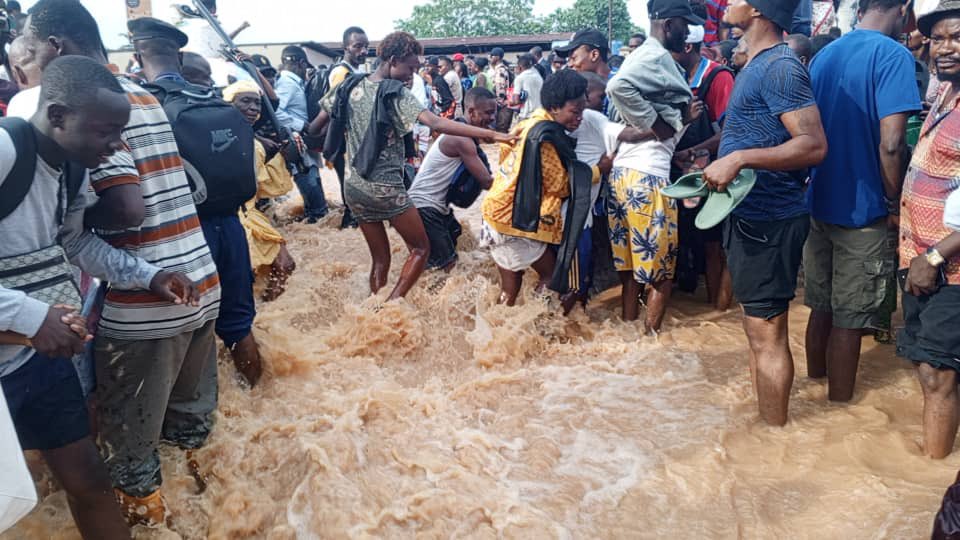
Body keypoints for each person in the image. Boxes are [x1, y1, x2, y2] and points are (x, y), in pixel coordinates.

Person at [15, 0, 226, 523]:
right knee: (189, 428)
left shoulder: (75, 112)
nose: (25, 59)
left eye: (30, 47)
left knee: (128, 453)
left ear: (54, 47)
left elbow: (129, 209)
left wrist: (77, 229)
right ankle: (213, 517)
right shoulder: (142, 96)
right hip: (196, 278)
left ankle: (157, 526)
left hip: (143, 307)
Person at [309, 32, 511, 300]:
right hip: (387, 189)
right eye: (410, 68)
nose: (413, 76)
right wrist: (494, 134)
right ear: (393, 60)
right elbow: (436, 123)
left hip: (354, 187)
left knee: (380, 260)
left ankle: (375, 307)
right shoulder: (396, 93)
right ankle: (392, 304)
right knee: (421, 249)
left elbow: (315, 128)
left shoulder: (348, 85)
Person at [702, 0, 828, 426]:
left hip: (770, 218)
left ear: (757, 9)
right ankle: (765, 431)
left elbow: (813, 145)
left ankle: (775, 435)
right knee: (757, 330)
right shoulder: (756, 64)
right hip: (751, 215)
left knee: (768, 334)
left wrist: (739, 159)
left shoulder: (780, 67)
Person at [130, 16, 263, 387]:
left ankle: (201, 414)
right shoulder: (212, 99)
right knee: (238, 324)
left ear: (138, 56)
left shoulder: (142, 104)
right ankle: (259, 396)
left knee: (184, 330)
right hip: (231, 226)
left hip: (179, 235)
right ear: (179, 56)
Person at [805, 0, 918, 403]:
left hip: (819, 203)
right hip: (865, 211)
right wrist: (893, 201)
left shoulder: (825, 55)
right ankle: (839, 411)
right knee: (850, 320)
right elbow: (892, 144)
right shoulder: (894, 56)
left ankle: (813, 390)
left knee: (820, 307)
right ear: (904, 8)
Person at [605, 0, 702, 333]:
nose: (687, 32)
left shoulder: (643, 55)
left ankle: (629, 332)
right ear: (668, 23)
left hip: (623, 176)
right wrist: (662, 125)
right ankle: (650, 342)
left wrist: (666, 130)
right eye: (684, 25)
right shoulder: (655, 56)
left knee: (631, 267)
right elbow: (616, 86)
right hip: (648, 180)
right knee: (661, 274)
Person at [481, 69, 605, 307]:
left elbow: (505, 154)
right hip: (513, 222)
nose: (580, 118)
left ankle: (497, 326)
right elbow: (560, 185)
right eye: (575, 112)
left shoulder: (527, 123)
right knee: (552, 278)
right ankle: (534, 326)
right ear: (555, 107)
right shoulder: (546, 137)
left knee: (510, 287)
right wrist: (599, 169)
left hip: (495, 214)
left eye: (583, 111)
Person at [896, 4, 960, 459]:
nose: (945, 48)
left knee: (937, 373)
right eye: (938, 39)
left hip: (948, 266)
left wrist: (935, 256)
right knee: (932, 366)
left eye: (956, 37)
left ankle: (933, 478)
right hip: (921, 259)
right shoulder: (944, 92)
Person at [671, 23, 736, 311]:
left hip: (710, 171)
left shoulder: (718, 78)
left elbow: (729, 133)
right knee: (682, 238)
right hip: (679, 170)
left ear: (687, 47)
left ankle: (715, 310)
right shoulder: (673, 75)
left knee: (712, 243)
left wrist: (692, 151)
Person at [409, 87, 497, 271]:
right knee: (446, 266)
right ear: (471, 112)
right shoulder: (461, 140)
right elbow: (487, 182)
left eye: (494, 112)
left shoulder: (464, 134)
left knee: (452, 249)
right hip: (425, 207)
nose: (493, 118)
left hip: (431, 207)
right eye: (488, 113)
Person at [224, 80, 297, 300]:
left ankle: (267, 311)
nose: (253, 108)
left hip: (251, 214)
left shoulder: (254, 142)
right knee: (252, 272)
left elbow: (262, 186)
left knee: (283, 266)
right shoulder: (220, 138)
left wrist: (282, 157)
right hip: (232, 216)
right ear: (229, 103)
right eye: (245, 101)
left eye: (257, 103)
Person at [276, 45, 328, 223]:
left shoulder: (293, 83)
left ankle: (313, 217)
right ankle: (315, 218)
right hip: (297, 143)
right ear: (301, 63)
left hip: (304, 143)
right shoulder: (287, 84)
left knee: (312, 180)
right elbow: (275, 112)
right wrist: (302, 125)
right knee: (313, 192)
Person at [511, 53, 543, 121]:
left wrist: (508, 102)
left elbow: (516, 101)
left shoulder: (520, 78)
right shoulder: (538, 76)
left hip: (526, 115)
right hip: (539, 114)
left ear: (520, 67)